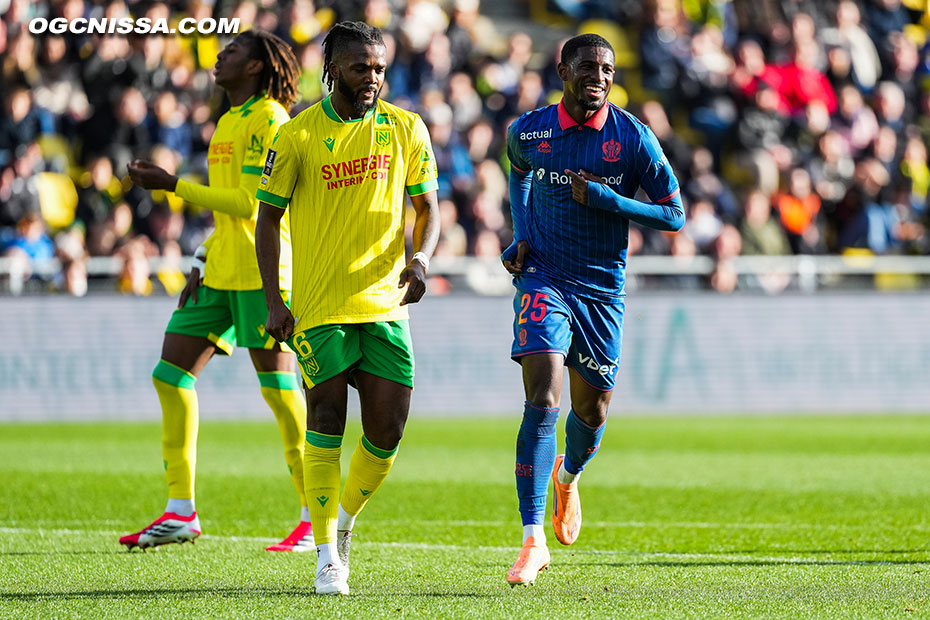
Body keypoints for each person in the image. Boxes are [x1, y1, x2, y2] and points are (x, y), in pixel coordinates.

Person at [254, 21, 440, 596]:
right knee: (327, 420)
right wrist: (274, 301)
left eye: (380, 68)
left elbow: (429, 209)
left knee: (387, 431)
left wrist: (421, 260)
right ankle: (327, 553)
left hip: (386, 302)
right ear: (331, 68)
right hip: (319, 306)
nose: (373, 78)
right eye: (361, 67)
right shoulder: (297, 135)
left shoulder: (406, 128)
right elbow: (266, 219)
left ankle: (345, 519)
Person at [501, 33, 685, 586]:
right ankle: (532, 540)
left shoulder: (633, 138)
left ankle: (569, 474)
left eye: (607, 68)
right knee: (542, 394)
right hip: (545, 278)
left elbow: (674, 214)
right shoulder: (531, 130)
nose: (599, 76)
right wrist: (523, 231)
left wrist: (611, 201)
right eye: (587, 66)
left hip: (603, 290)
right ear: (563, 70)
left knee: (594, 410)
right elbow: (518, 168)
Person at [120, 30, 315, 553]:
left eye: (232, 52)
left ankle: (312, 513)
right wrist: (200, 256)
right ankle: (180, 510)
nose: (220, 56)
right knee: (170, 374)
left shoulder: (269, 119)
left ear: (255, 67)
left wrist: (172, 184)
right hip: (220, 269)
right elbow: (226, 214)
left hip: (262, 273)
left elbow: (252, 204)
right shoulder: (228, 120)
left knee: (279, 393)